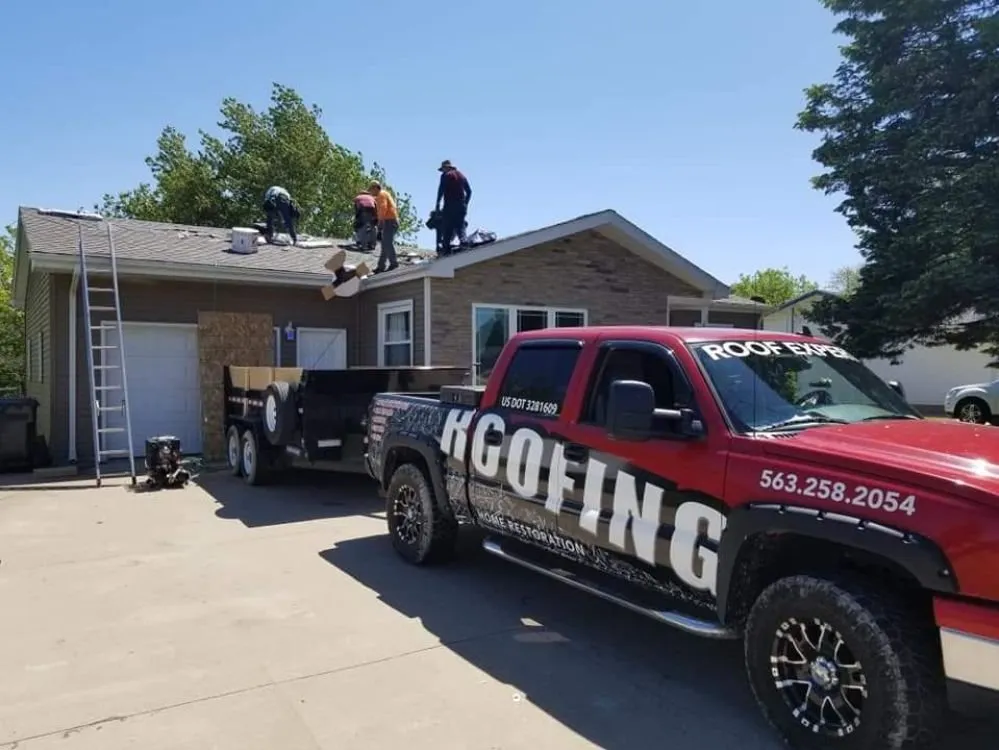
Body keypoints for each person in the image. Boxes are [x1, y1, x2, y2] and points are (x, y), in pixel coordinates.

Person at [435, 160, 472, 253]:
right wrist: (465, 204)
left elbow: (441, 190)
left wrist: (437, 204)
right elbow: (469, 191)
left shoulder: (445, 176)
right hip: (461, 204)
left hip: (449, 205)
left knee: (447, 226)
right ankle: (464, 242)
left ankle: (446, 248)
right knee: (460, 225)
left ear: (445, 168)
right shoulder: (461, 175)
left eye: (443, 169)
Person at [368, 181, 399, 273]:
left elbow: (383, 208)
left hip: (389, 221)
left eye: (371, 189)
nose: (370, 192)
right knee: (385, 245)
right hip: (389, 221)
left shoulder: (381, 195)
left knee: (387, 243)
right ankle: (381, 266)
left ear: (375, 188)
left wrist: (380, 222)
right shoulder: (382, 195)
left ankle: (394, 263)